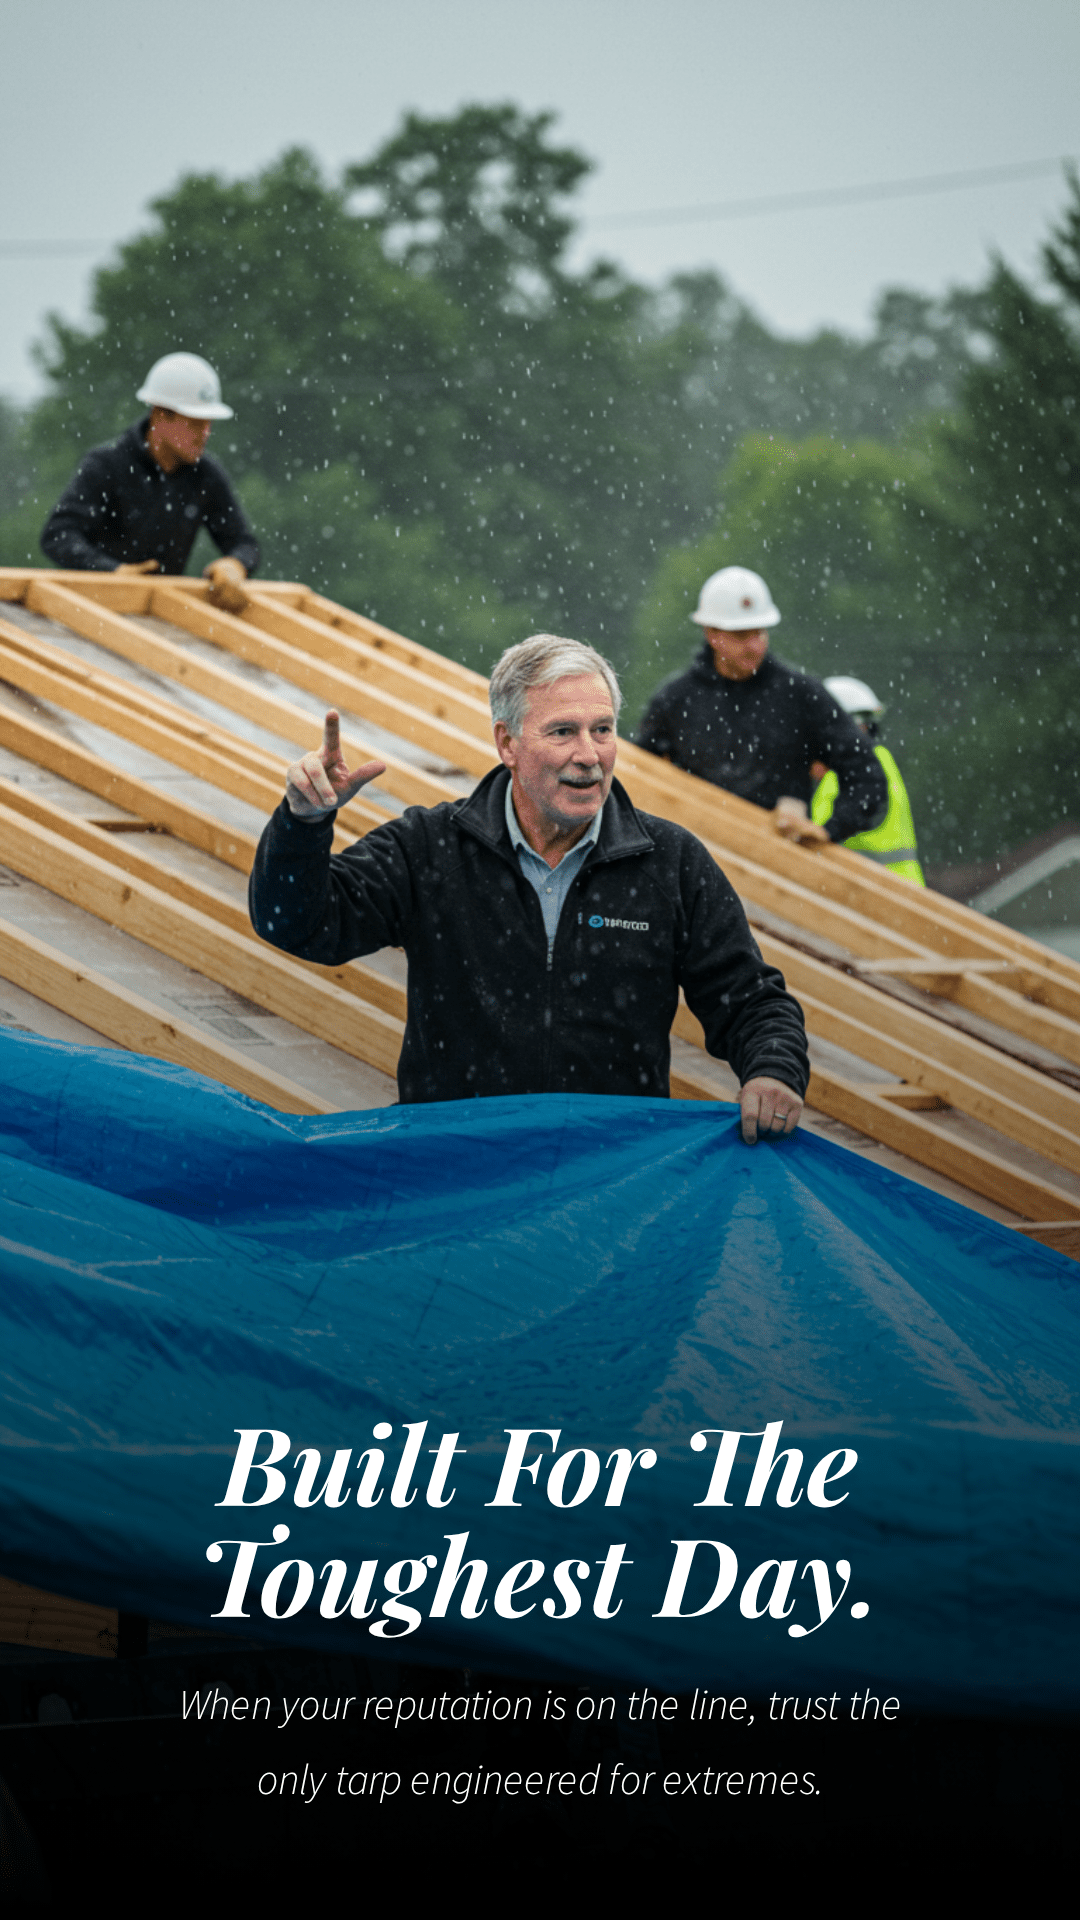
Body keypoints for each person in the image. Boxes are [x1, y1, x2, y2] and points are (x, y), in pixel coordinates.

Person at [249, 633, 809, 1143]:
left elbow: (751, 1000)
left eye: (603, 730)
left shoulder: (669, 863)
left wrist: (773, 1070)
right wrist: (302, 824)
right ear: (507, 742)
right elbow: (296, 923)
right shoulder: (430, 848)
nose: (589, 755)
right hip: (459, 1176)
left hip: (610, 1182)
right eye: (563, 731)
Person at [637, 565, 887, 847]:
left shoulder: (801, 696)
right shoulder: (676, 700)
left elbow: (867, 775)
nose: (755, 646)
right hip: (693, 866)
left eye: (760, 632)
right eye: (742, 635)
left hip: (780, 870)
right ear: (711, 634)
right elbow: (637, 779)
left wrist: (830, 830)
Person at [40, 352, 258, 613]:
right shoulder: (107, 464)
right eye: (196, 422)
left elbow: (244, 543)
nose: (205, 433)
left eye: (209, 423)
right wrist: (112, 571)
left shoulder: (206, 475)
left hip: (161, 616)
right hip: (92, 613)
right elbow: (58, 535)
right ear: (160, 414)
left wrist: (235, 564)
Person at [810, 677, 926, 885]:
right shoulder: (878, 761)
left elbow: (817, 839)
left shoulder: (856, 773)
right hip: (892, 894)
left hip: (877, 898)